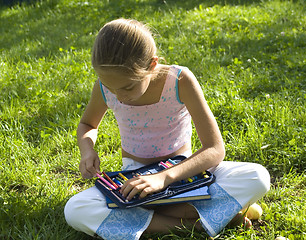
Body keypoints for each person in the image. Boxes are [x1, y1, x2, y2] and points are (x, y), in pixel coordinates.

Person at [64, 18, 270, 240]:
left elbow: (215, 149)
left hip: (184, 173)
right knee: (75, 209)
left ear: (152, 65)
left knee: (258, 176)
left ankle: (147, 215)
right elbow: (88, 124)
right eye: (111, 88)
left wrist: (163, 178)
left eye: (128, 87)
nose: (119, 96)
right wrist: (87, 150)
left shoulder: (179, 80)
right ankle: (195, 223)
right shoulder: (106, 87)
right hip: (135, 178)